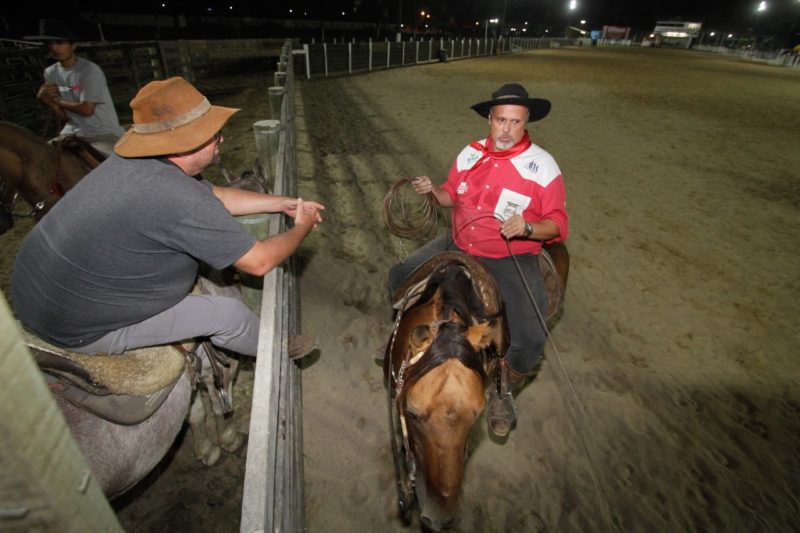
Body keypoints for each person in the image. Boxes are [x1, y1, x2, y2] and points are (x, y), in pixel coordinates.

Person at [11, 76, 324, 358]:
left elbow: (218, 195)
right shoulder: (178, 197)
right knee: (228, 316)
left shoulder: (134, 161)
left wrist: (281, 203)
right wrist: (302, 227)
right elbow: (259, 261)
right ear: (189, 144)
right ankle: (277, 355)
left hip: (32, 290)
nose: (222, 140)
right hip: (70, 325)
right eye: (215, 135)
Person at [388, 83, 569, 438]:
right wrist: (432, 191)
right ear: (490, 118)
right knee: (399, 276)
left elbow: (558, 224)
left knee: (531, 336)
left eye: (515, 122)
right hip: (458, 242)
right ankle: (402, 339)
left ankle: (505, 392)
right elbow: (450, 195)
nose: (506, 129)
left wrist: (528, 226)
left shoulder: (543, 166)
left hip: (509, 255)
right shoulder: (470, 153)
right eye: (500, 119)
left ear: (526, 121)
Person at [25, 19, 124, 157]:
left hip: (102, 132)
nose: (54, 48)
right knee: (38, 158)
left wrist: (57, 101)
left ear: (73, 45)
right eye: (50, 44)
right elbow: (63, 116)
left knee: (120, 168)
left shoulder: (89, 70)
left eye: (60, 43)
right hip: (72, 131)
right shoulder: (50, 73)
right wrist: (45, 102)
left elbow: (86, 109)